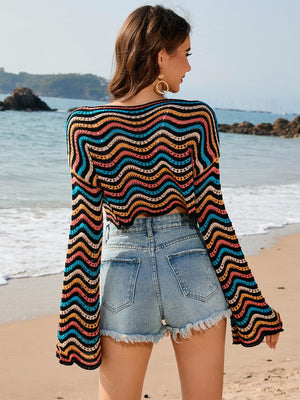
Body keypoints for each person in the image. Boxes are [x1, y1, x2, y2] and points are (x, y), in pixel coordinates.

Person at [56, 5, 283, 400]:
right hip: (191, 265)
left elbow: (85, 228)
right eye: (186, 54)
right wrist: (253, 306)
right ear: (162, 56)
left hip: (124, 273)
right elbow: (214, 218)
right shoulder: (196, 119)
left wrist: (75, 325)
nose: (189, 67)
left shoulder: (86, 126)